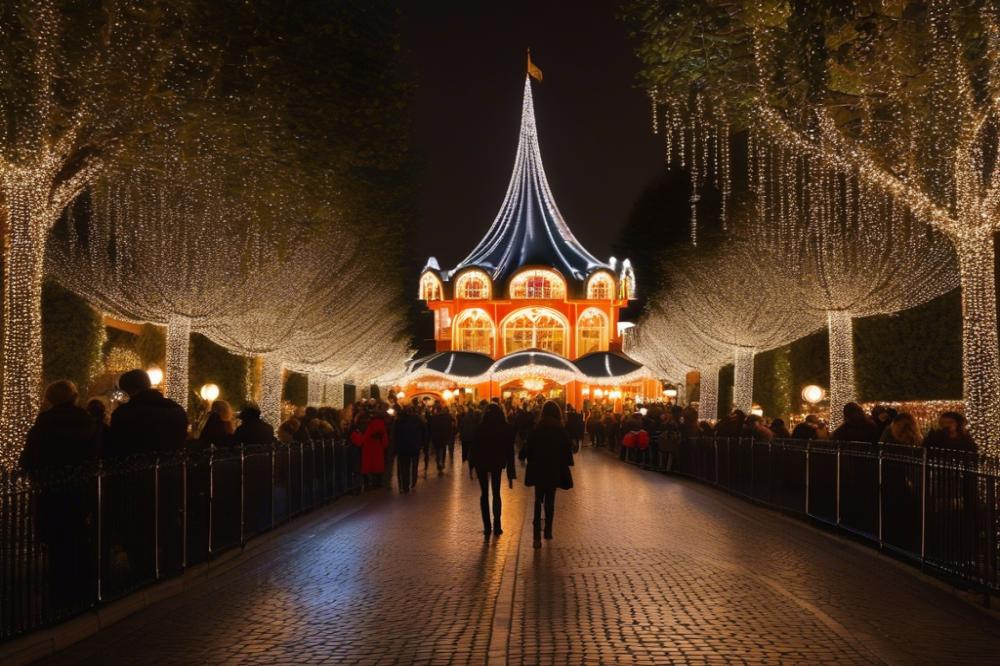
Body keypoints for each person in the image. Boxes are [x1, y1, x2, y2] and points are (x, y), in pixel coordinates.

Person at [18, 381, 99, 613]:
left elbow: (29, 459)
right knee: (80, 539)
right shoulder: (87, 423)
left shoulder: (43, 425)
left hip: (51, 491)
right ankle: (83, 588)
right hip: (81, 489)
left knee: (56, 543)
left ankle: (59, 589)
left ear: (50, 399)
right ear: (75, 397)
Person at [519, 401, 574, 549]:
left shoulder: (537, 429)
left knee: (538, 500)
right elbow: (568, 453)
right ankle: (548, 530)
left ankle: (536, 536)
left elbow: (526, 451)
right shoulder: (560, 430)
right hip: (554, 470)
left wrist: (530, 458)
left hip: (538, 469)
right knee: (550, 500)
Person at [107, 369, 188, 457]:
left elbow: (117, 447)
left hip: (141, 467)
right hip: (174, 467)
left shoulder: (125, 414)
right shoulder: (177, 409)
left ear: (128, 390)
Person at [472, 403, 516, 537]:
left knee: (484, 494)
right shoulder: (505, 428)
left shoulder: (480, 427)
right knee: (496, 493)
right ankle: (497, 525)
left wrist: (471, 466)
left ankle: (487, 526)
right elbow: (510, 451)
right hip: (497, 462)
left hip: (481, 463)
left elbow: (474, 448)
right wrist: (510, 473)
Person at [393, 403, 426, 493]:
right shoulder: (417, 419)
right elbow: (424, 431)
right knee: (414, 465)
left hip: (403, 447)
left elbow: (395, 434)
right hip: (415, 446)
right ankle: (413, 482)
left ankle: (405, 485)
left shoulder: (398, 420)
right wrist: (422, 443)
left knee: (404, 467)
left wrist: (396, 447)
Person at [352, 409, 389, 489]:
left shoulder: (366, 424)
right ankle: (377, 483)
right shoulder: (380, 423)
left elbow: (365, 435)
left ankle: (367, 484)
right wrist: (384, 445)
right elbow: (384, 436)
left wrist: (360, 441)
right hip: (377, 447)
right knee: (377, 466)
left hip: (367, 447)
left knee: (366, 466)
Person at [428, 403, 454, 474]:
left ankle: (438, 462)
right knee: (443, 449)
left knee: (437, 450)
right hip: (444, 436)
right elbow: (450, 426)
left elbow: (431, 428)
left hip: (436, 437)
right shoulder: (447, 417)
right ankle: (442, 463)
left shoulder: (433, 417)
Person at [459, 403, 482, 479]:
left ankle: (464, 464)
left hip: (465, 438)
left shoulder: (464, 418)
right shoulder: (476, 419)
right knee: (472, 453)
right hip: (472, 438)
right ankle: (472, 466)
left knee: (464, 451)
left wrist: (461, 436)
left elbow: (461, 428)